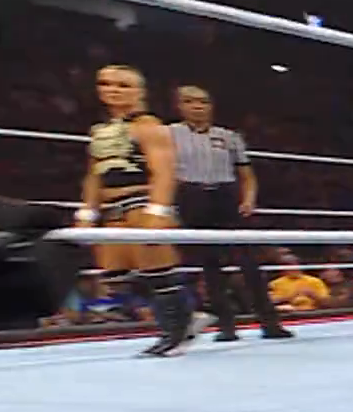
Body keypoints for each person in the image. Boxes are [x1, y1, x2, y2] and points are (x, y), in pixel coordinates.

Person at [75, 64, 189, 356]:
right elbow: (94, 175)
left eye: (123, 85)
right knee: (115, 274)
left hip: (141, 200)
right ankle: (187, 317)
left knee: (157, 270)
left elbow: (165, 171)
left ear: (140, 92)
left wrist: (158, 211)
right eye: (106, 83)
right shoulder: (101, 131)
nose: (112, 90)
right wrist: (87, 212)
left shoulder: (148, 125)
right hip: (111, 206)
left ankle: (175, 333)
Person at [170, 85, 291, 342]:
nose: (197, 106)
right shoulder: (169, 134)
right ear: (180, 106)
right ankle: (226, 327)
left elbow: (247, 174)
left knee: (249, 260)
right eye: (190, 101)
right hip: (190, 195)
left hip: (226, 195)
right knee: (210, 265)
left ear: (211, 106)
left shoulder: (229, 137)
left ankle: (270, 323)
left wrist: (248, 199)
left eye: (203, 102)